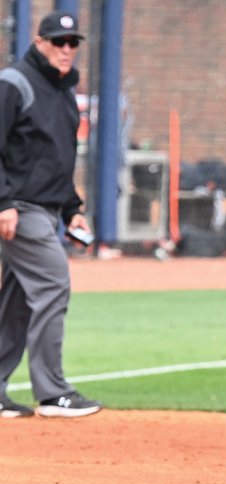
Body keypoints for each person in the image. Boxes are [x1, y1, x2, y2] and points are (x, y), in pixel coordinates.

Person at [0, 11, 102, 419]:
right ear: (39, 42)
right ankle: (52, 392)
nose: (66, 49)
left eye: (72, 42)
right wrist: (3, 201)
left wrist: (73, 209)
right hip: (19, 208)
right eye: (58, 41)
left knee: (19, 299)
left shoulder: (62, 92)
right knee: (54, 284)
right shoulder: (14, 83)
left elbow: (56, 159)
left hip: (44, 207)